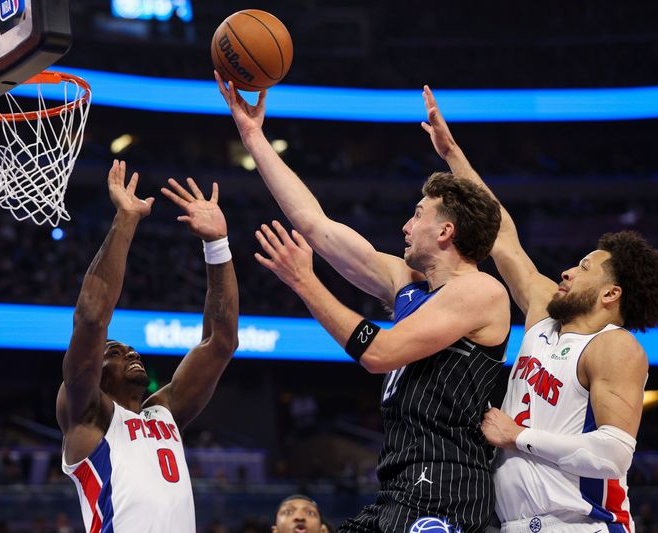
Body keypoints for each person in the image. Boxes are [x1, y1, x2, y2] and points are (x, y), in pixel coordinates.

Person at [217, 73, 512, 532]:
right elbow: (314, 224)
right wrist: (253, 136)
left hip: (445, 485)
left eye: (417, 215)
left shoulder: (481, 292)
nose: (406, 226)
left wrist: (306, 283)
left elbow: (379, 353)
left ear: (446, 231)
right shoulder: (408, 283)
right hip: (398, 485)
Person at [421, 85, 658, 532]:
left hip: (584, 524)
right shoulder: (543, 315)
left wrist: (519, 436)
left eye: (584, 268)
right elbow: (502, 235)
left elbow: (614, 454)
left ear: (611, 294)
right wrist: (453, 155)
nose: (567, 271)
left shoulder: (614, 347)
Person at [56, 160, 239, 532]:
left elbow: (220, 342)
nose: (131, 353)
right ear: (95, 373)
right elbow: (91, 316)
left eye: (130, 350)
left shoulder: (163, 412)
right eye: (114, 352)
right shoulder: (88, 415)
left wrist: (217, 244)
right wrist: (126, 219)